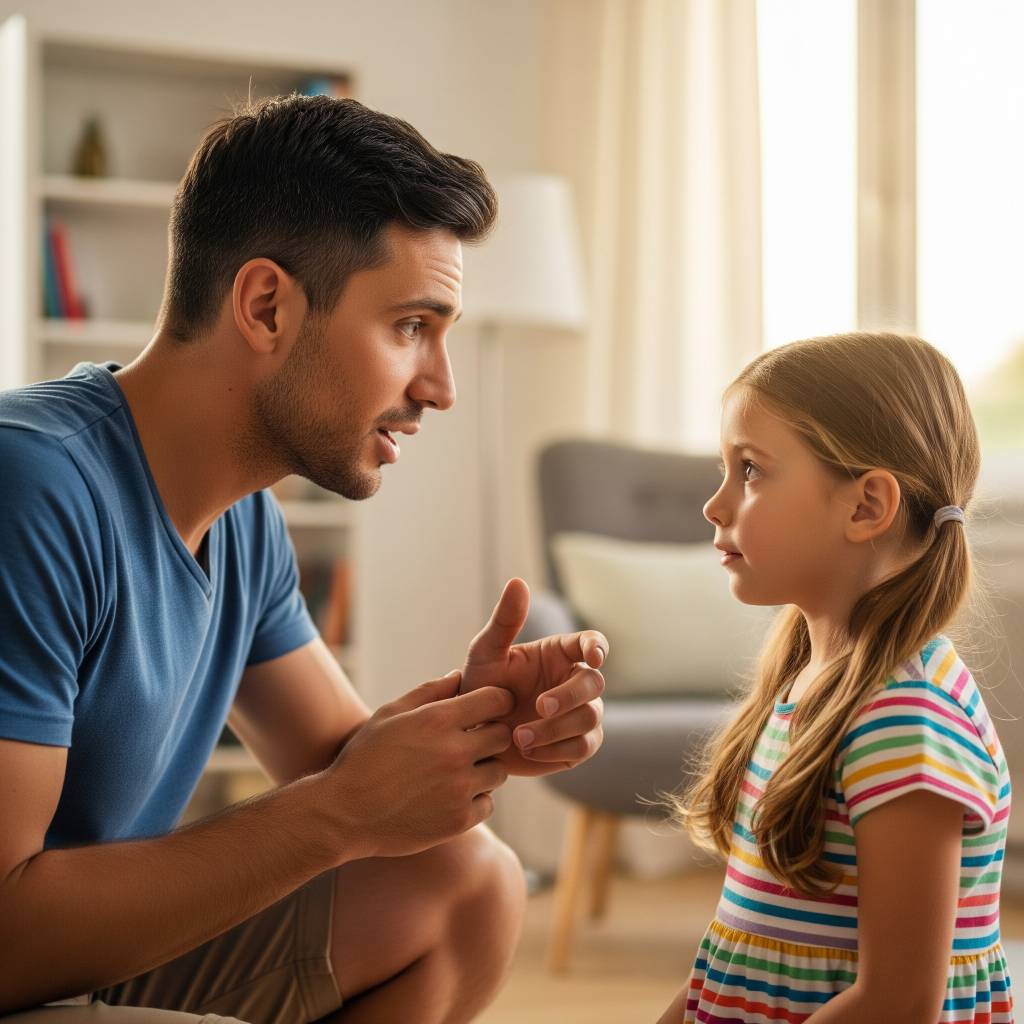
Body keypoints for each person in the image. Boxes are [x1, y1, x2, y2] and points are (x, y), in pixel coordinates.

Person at [0, 95, 608, 1024]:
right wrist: (341, 809)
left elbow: (339, 768)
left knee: (468, 882)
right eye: (412, 327)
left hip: (76, 962)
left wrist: (477, 728)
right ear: (266, 305)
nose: (439, 388)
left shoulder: (244, 521)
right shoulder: (33, 487)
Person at [658, 332, 1013, 1024]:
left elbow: (898, 1002)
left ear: (865, 506)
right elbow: (732, 951)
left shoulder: (907, 722)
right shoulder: (808, 682)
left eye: (751, 470)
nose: (716, 504)